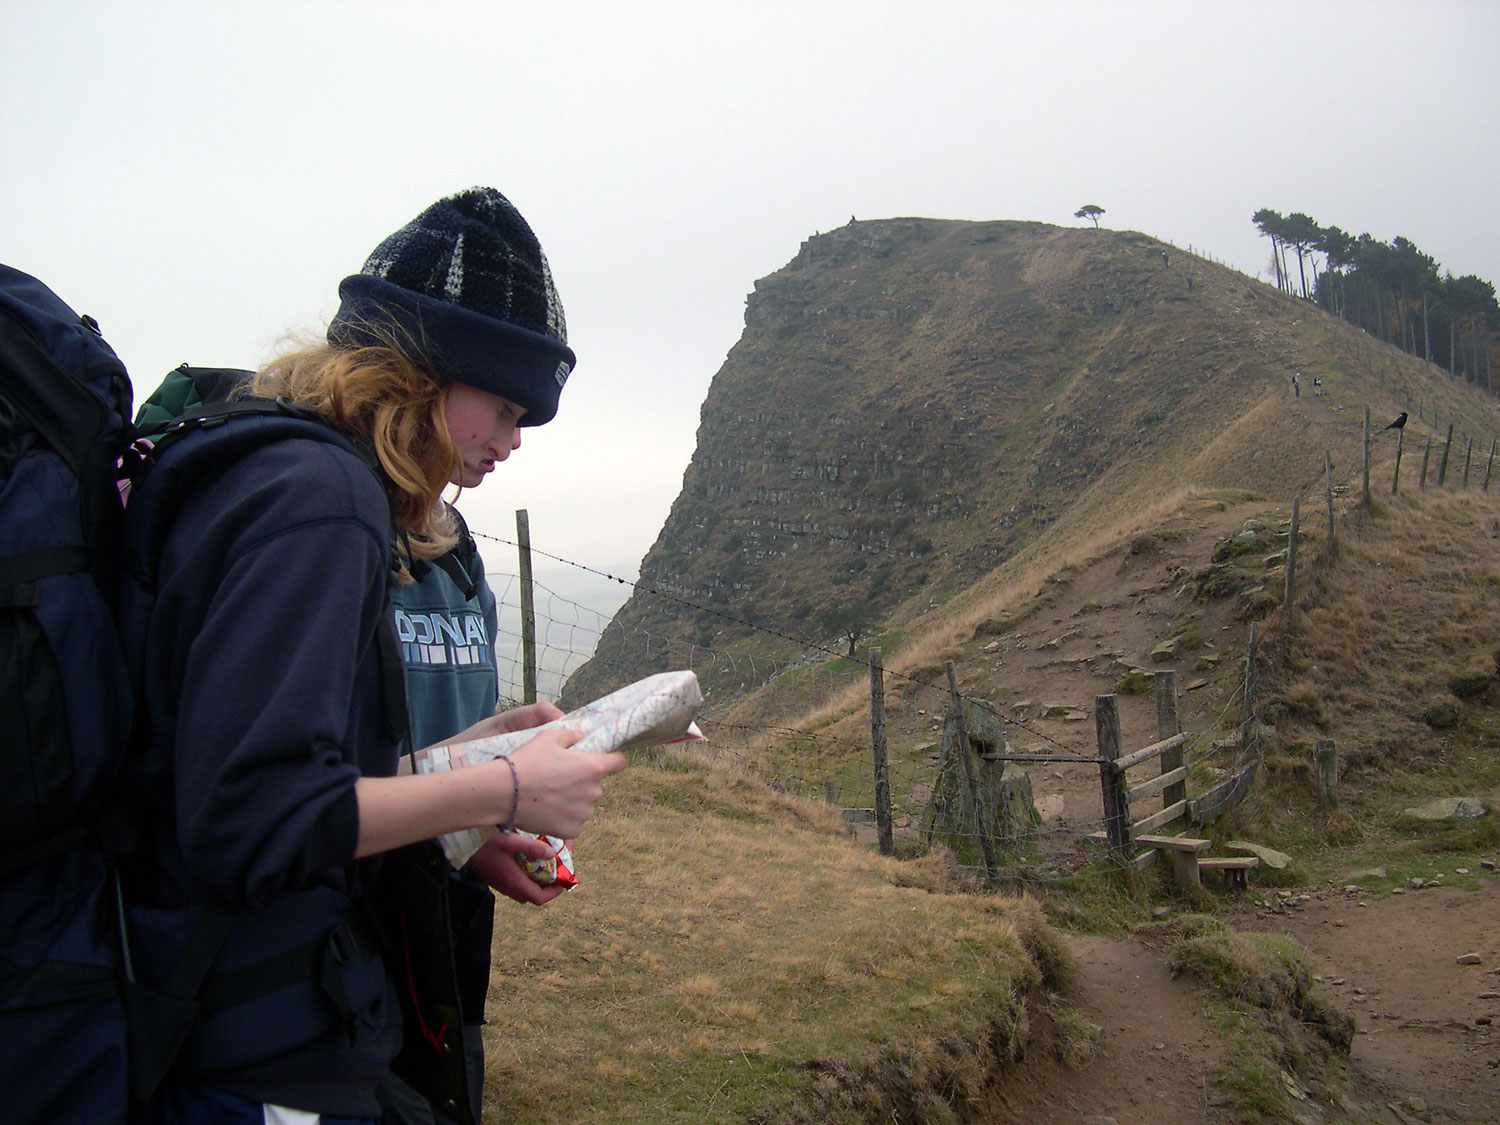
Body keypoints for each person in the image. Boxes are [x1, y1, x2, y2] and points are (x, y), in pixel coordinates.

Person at [119, 187, 625, 1124]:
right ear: (428, 371)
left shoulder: (267, 468)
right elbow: (252, 819)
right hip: (246, 1031)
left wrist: (456, 761)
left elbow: (241, 762)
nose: (513, 441)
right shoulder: (320, 501)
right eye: (506, 405)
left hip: (216, 996)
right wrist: (501, 788)